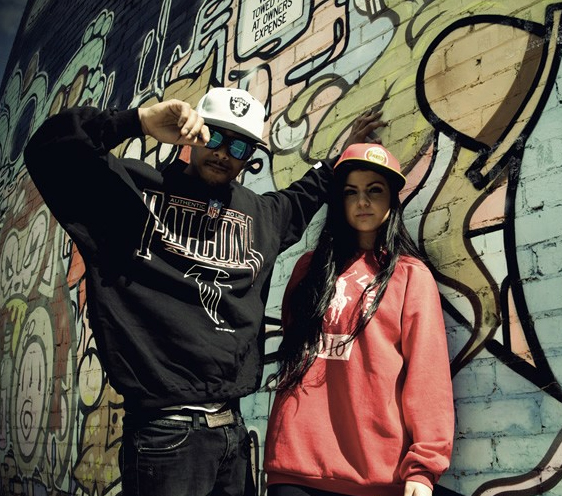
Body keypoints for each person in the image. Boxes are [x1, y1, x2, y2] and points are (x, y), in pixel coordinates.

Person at [23, 87, 385, 496]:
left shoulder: (261, 215)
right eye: (213, 137)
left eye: (239, 146)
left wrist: (343, 156)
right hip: (165, 436)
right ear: (193, 133)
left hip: (231, 434)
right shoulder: (131, 193)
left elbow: (307, 192)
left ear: (249, 157)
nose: (223, 153)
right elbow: (49, 150)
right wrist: (139, 121)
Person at [263, 143, 455, 496]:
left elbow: (428, 374)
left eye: (374, 190)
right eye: (351, 192)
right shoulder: (309, 269)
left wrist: (424, 467)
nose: (362, 201)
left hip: (375, 472)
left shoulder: (409, 275)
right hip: (295, 465)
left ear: (392, 199)